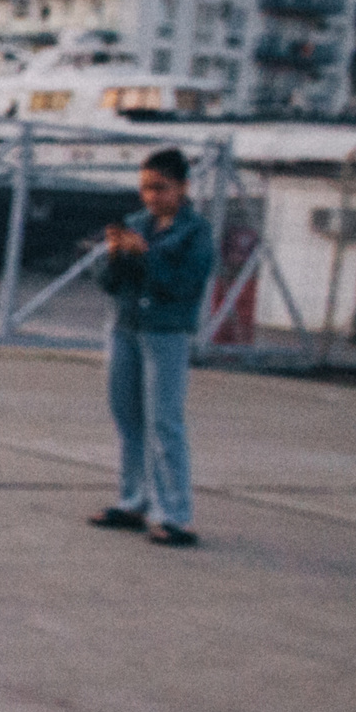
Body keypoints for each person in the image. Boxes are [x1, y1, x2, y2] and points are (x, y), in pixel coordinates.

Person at [90, 146, 214, 547]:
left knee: (164, 422)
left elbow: (184, 286)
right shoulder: (135, 224)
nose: (151, 196)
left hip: (165, 332)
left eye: (160, 188)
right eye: (145, 187)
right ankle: (134, 501)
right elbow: (107, 283)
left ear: (182, 187)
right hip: (125, 327)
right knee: (127, 418)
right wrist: (115, 256)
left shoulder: (196, 233)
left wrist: (146, 258)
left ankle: (176, 515)